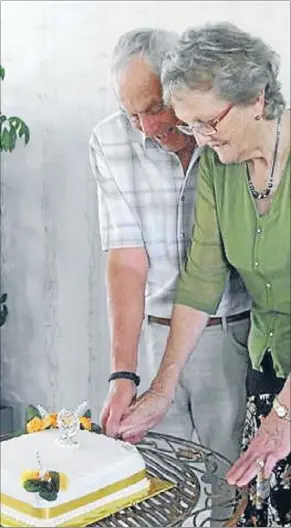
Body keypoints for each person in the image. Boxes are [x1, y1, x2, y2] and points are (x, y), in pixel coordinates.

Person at [118, 23, 291, 527]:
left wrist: (283, 416)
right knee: (266, 510)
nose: (201, 139)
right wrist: (162, 389)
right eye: (190, 126)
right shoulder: (221, 164)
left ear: (256, 96)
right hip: (270, 361)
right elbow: (201, 278)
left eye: (209, 122)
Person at [89, 28, 251, 463]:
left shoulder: (228, 135)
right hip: (154, 335)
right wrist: (124, 373)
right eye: (132, 115)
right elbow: (125, 258)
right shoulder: (109, 141)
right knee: (163, 477)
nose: (147, 128)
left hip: (234, 332)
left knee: (232, 480)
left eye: (156, 107)